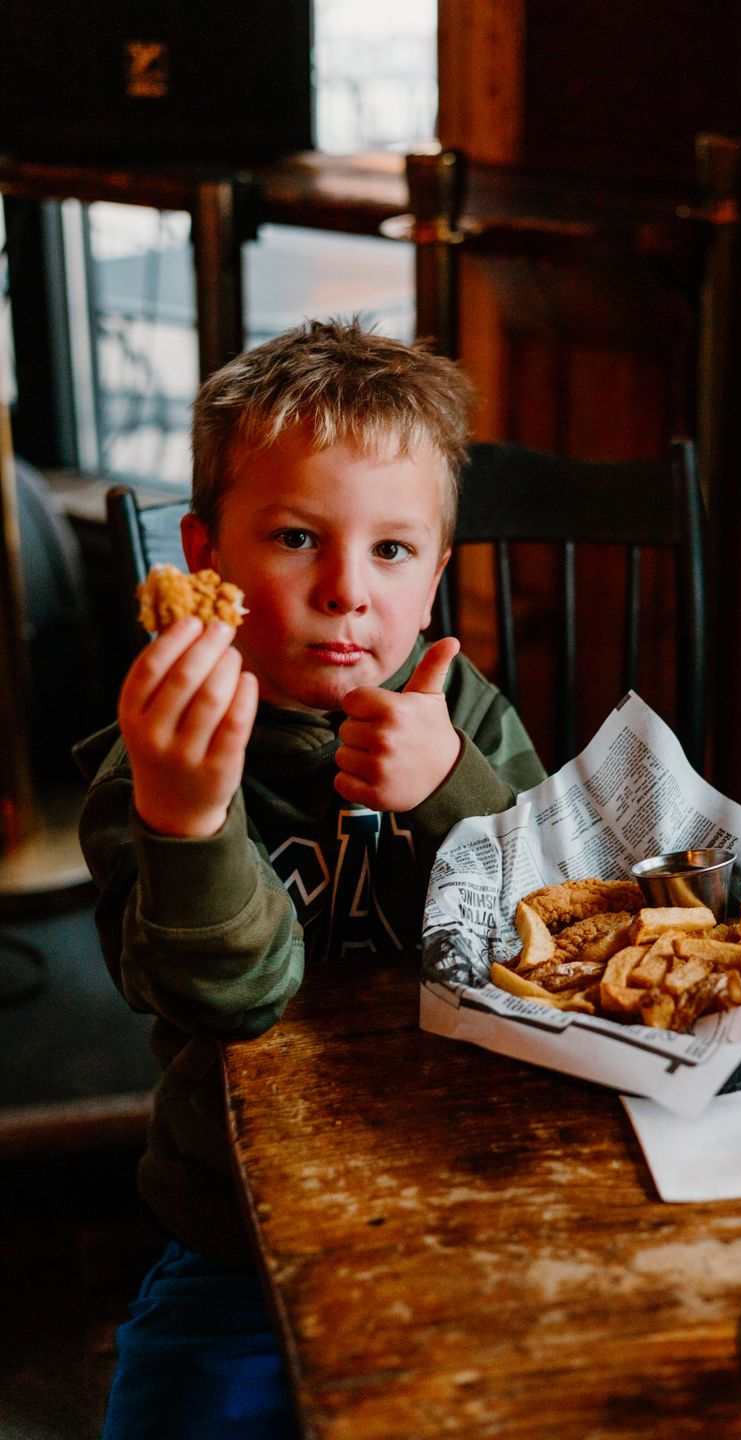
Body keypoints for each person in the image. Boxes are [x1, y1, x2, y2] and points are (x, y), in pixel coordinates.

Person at [74, 319, 546, 1440]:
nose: (346, 590)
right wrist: (189, 816)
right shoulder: (151, 765)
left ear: (434, 578)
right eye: (295, 537)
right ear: (206, 561)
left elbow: (550, 933)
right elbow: (226, 1003)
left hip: (473, 1186)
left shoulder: (463, 714)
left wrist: (452, 788)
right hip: (236, 1223)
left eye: (391, 550)